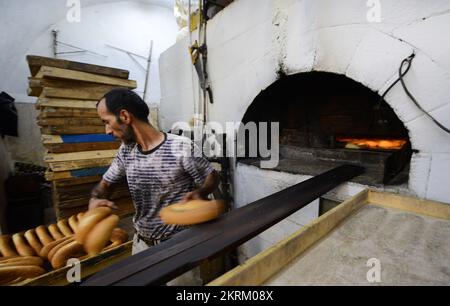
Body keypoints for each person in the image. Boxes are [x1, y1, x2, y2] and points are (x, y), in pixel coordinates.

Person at [89, 88, 219, 266]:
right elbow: (106, 183)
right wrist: (96, 198)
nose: (106, 131)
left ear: (125, 116)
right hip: (142, 244)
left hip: (178, 245)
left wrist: (202, 192)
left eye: (107, 122)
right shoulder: (126, 151)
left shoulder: (180, 147)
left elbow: (211, 176)